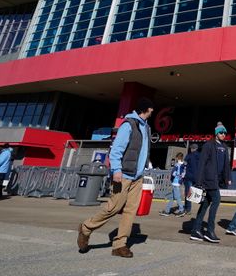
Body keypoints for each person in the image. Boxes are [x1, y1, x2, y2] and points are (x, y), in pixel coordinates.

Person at [78, 99, 154, 258]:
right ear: (145, 110)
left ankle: (120, 245)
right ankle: (86, 227)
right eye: (151, 110)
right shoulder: (128, 125)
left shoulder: (146, 127)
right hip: (124, 174)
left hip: (138, 176)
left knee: (130, 211)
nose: (152, 112)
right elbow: (116, 149)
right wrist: (116, 170)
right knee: (113, 207)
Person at [190, 122, 231, 243]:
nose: (223, 134)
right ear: (216, 133)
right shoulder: (208, 145)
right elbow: (202, 163)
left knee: (205, 204)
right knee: (216, 200)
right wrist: (198, 181)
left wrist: (227, 177)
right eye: (221, 132)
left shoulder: (224, 147)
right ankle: (209, 231)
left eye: (224, 132)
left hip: (217, 180)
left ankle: (196, 230)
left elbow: (226, 165)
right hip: (209, 179)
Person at [159, 152, 186, 216]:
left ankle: (181, 210)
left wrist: (174, 175)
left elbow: (173, 173)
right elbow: (183, 175)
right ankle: (167, 210)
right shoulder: (184, 165)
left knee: (177, 197)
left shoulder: (177, 165)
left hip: (175, 182)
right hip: (179, 182)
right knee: (172, 197)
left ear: (178, 158)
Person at [183, 143, 200, 215]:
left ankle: (188, 208)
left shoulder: (189, 155)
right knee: (196, 191)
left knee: (188, 193)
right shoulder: (200, 155)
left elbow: (184, 164)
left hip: (189, 176)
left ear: (192, 148)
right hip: (197, 177)